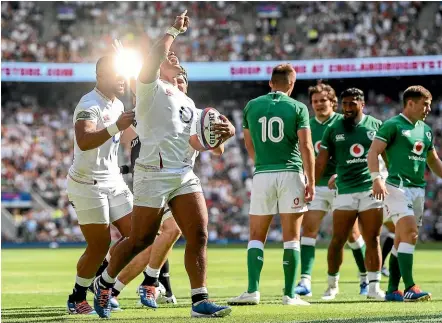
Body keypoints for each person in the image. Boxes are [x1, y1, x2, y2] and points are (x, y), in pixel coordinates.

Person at [93, 11, 235, 318]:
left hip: (184, 174)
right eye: (167, 56)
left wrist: (227, 133)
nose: (170, 56)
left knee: (198, 234)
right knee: (139, 240)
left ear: (181, 73)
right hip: (152, 175)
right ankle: (104, 283)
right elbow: (155, 55)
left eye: (174, 58)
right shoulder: (151, 87)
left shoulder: (191, 105)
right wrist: (173, 30)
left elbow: (205, 144)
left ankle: (199, 301)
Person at [227, 63, 315, 306]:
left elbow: (249, 144)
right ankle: (289, 295)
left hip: (263, 173)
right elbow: (307, 147)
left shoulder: (251, 106)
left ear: (270, 82)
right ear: (292, 83)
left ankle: (253, 291)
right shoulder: (298, 107)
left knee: (256, 235)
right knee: (292, 237)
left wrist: (262, 164)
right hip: (291, 172)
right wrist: (311, 180)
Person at [111, 70, 190, 309]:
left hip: (177, 180)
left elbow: (210, 147)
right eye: (174, 81)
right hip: (153, 179)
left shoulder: (189, 113)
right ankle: (144, 283)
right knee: (168, 232)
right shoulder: (149, 110)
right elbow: (126, 139)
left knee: (156, 239)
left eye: (182, 82)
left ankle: (117, 285)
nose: (178, 85)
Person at [66, 55, 135, 314]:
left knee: (140, 235)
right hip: (87, 183)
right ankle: (77, 296)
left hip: (113, 179)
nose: (121, 79)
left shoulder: (116, 103)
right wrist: (116, 126)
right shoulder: (89, 103)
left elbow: (129, 138)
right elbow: (83, 140)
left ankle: (104, 283)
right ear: (100, 77)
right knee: (99, 245)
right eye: (115, 74)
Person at [295, 83, 369, 297]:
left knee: (352, 235)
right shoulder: (307, 125)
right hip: (317, 185)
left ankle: (365, 279)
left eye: (322, 101)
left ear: (332, 102)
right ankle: (305, 282)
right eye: (315, 101)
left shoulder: (343, 122)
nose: (318, 105)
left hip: (343, 185)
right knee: (308, 231)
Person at [367, 85, 438, 302]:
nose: (428, 109)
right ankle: (410, 287)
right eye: (425, 104)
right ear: (410, 103)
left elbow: (433, 162)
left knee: (401, 240)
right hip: (396, 187)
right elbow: (373, 152)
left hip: (418, 190)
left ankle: (391, 290)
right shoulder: (392, 125)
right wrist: (376, 178)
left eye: (429, 104)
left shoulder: (426, 130)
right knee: (410, 233)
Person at [315, 88, 385, 300]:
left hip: (369, 189)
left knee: (372, 238)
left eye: (351, 104)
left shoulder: (376, 125)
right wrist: (310, 184)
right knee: (338, 240)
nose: (347, 108)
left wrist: (381, 178)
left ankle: (373, 287)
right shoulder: (333, 128)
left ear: (362, 104)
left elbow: (387, 157)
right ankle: (332, 286)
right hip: (344, 190)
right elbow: (321, 161)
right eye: (344, 104)